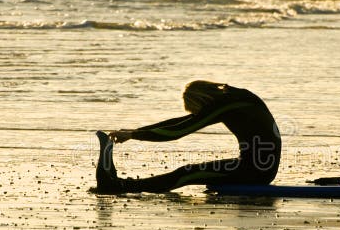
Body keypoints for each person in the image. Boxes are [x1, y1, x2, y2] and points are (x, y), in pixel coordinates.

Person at [95, 81, 281, 194]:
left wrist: (135, 135)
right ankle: (122, 184)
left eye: (197, 110)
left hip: (256, 171)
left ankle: (118, 187)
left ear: (200, 100)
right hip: (260, 166)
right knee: (189, 171)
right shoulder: (236, 97)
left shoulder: (226, 105)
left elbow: (177, 131)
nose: (199, 114)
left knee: (187, 173)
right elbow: (179, 122)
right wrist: (134, 132)